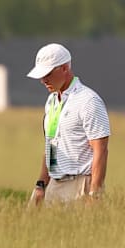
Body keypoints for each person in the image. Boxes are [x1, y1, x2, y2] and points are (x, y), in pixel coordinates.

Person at [26, 43, 109, 204]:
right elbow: (51, 145)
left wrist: (94, 194)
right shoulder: (51, 101)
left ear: (64, 68)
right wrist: (41, 185)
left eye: (48, 74)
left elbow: (101, 150)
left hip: (80, 185)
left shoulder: (89, 101)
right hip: (53, 184)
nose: (43, 80)